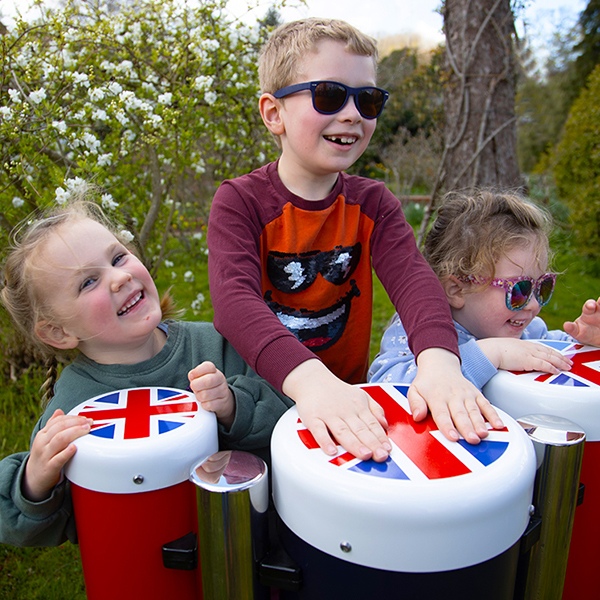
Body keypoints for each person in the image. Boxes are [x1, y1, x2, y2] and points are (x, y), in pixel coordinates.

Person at [207, 17, 503, 464]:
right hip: (258, 406)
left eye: (368, 99)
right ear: (273, 113)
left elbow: (414, 281)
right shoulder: (240, 201)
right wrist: (312, 383)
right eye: (328, 95)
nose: (351, 114)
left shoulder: (374, 203)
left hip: (351, 400)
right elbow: (234, 304)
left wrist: (441, 364)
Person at [0, 195, 293, 548]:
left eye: (118, 257)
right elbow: (35, 526)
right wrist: (35, 482)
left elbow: (288, 421)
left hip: (243, 546)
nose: (120, 277)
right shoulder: (72, 406)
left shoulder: (214, 344)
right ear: (58, 332)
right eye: (88, 282)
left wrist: (233, 406)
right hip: (142, 563)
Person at [369, 189, 600, 388]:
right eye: (519, 289)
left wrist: (586, 344)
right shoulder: (412, 331)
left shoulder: (529, 331)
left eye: (543, 286)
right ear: (457, 290)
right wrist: (489, 354)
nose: (534, 304)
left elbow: (555, 355)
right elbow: (386, 386)